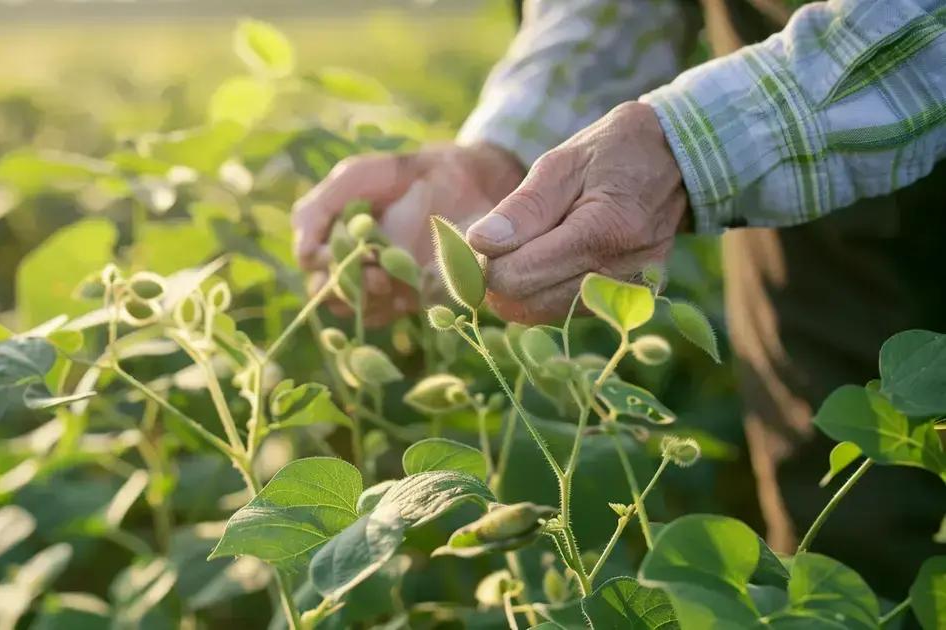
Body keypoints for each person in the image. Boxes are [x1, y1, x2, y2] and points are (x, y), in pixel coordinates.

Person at [292, 0, 946, 598]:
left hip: (814, 120)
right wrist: (504, 152)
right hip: (816, 226)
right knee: (849, 564)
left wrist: (685, 143)